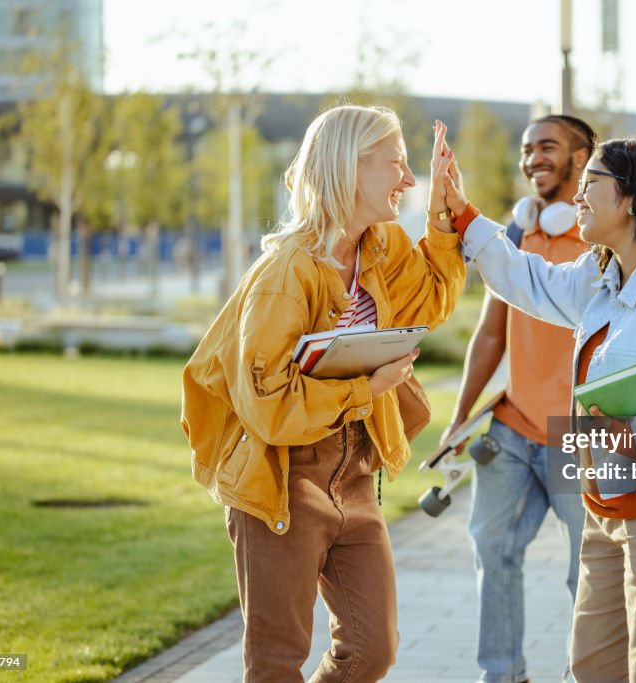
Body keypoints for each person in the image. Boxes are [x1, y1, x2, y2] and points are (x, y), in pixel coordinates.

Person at [439, 137, 636, 683]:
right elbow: (526, 280)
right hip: (608, 515)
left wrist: (633, 435)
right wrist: (463, 214)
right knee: (592, 669)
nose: (578, 195)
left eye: (591, 183)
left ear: (631, 199)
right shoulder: (601, 280)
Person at [181, 108, 465, 682]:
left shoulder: (380, 247)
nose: (407, 181)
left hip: (355, 473)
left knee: (372, 649)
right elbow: (270, 410)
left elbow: (431, 297)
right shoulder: (284, 274)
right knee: (277, 661)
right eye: (397, 165)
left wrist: (443, 206)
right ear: (350, 168)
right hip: (281, 483)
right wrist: (367, 387)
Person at [440, 115, 596, 683]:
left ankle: (594, 672)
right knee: (492, 548)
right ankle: (502, 675)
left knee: (591, 571)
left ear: (582, 157)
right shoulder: (515, 235)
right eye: (528, 149)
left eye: (547, 147)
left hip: (582, 440)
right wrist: (459, 418)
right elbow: (490, 334)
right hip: (514, 427)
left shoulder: (603, 239)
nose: (533, 158)